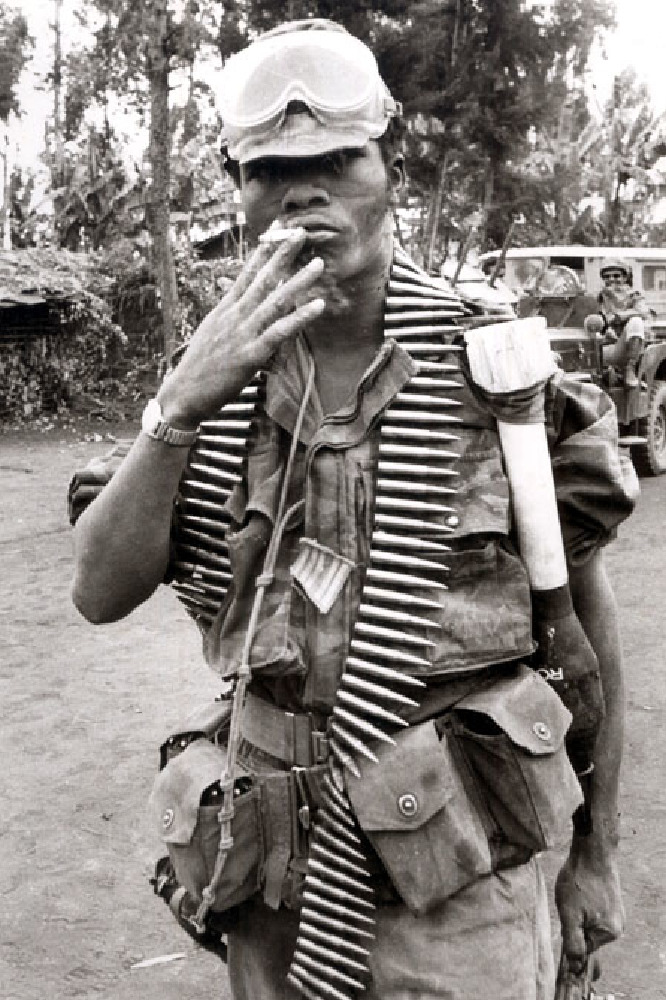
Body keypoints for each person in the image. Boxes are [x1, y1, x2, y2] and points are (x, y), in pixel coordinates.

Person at [70, 20, 637, 1000]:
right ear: (235, 183)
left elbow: (586, 636)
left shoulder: (493, 367)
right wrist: (176, 411)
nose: (306, 192)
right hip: (277, 877)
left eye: (339, 158)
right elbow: (97, 591)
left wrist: (595, 854)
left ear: (393, 161)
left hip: (466, 877)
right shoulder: (209, 382)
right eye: (272, 169)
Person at [585, 258, 652, 388]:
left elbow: (643, 312)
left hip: (626, 347)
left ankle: (629, 369)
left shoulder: (634, 296)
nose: (611, 279)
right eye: (607, 276)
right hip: (601, 348)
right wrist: (602, 332)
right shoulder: (597, 298)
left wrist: (619, 317)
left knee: (636, 321)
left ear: (625, 278)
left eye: (616, 276)